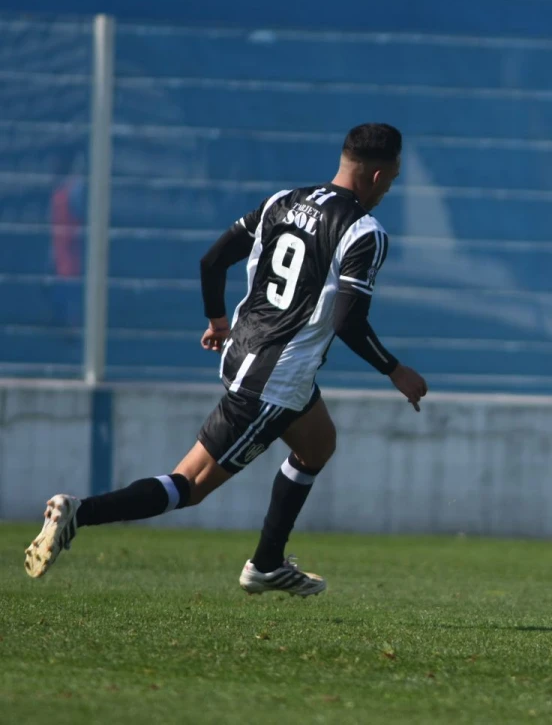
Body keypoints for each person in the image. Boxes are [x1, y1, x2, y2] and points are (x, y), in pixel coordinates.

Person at [24, 123, 428, 596]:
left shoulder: (284, 200)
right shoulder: (363, 231)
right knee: (188, 485)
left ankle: (268, 563)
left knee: (318, 444)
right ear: (378, 176)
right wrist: (395, 370)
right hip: (273, 381)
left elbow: (212, 260)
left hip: (246, 353)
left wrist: (217, 319)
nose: (390, 188)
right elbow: (348, 323)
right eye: (394, 179)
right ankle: (79, 512)